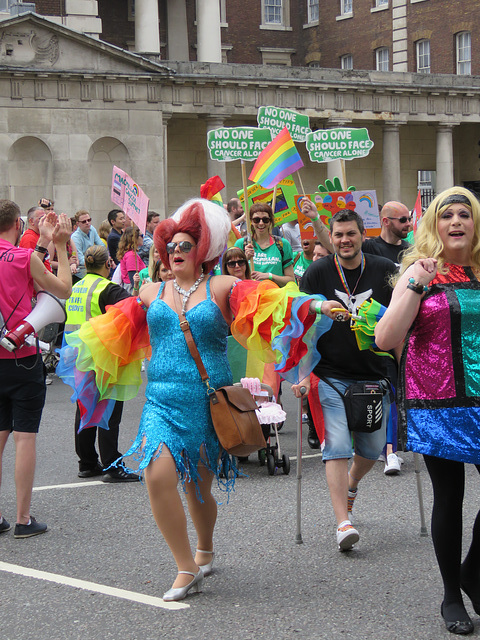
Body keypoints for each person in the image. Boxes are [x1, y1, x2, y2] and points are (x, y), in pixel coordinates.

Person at [375, 186, 480, 636]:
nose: (455, 221)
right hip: (437, 401)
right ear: (433, 225)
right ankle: (451, 595)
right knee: (450, 496)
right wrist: (415, 284)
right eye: (446, 214)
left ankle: (473, 572)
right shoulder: (421, 271)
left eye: (464, 214)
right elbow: (385, 337)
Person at [292, 209, 397, 551]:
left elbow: (403, 320)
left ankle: (352, 483)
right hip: (330, 376)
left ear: (361, 235)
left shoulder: (383, 271)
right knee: (335, 447)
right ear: (331, 237)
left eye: (350, 234)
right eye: (338, 235)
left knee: (370, 449)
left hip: (374, 378)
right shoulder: (318, 271)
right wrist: (304, 375)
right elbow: (301, 321)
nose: (344, 240)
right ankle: (343, 522)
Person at [0, 202, 72, 538]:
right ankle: (23, 518)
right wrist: (58, 243)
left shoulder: (23, 254)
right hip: (24, 358)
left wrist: (41, 242)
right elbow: (63, 290)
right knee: (24, 437)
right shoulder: (21, 257)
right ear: (17, 223)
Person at [63, 245, 140, 482]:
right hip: (103, 357)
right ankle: (112, 465)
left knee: (85, 408)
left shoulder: (76, 286)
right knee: (108, 411)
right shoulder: (108, 288)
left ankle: (87, 463)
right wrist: (137, 289)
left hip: (78, 356)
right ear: (108, 264)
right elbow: (134, 309)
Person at [235, 203, 294, 286]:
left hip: (275, 296)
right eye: (256, 220)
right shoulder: (241, 244)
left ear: (270, 221)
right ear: (251, 221)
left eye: (265, 219)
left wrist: (270, 276)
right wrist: (244, 260)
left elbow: (291, 280)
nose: (261, 223)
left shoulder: (283, 244)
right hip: (249, 295)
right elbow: (232, 278)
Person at [362, 201, 412, 265]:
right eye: (403, 220)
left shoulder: (410, 251)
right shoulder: (367, 248)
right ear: (386, 222)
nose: (408, 224)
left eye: (409, 219)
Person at [71, 210, 104, 280]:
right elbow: (80, 259)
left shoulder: (92, 229)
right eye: (84, 221)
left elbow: (101, 246)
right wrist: (96, 262)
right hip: (80, 273)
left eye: (89, 220)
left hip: (92, 267)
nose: (87, 223)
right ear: (78, 224)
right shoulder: (75, 237)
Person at [117, 227, 145, 294]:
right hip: (132, 289)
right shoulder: (131, 255)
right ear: (135, 238)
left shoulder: (130, 253)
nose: (143, 238)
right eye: (141, 236)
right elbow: (133, 280)